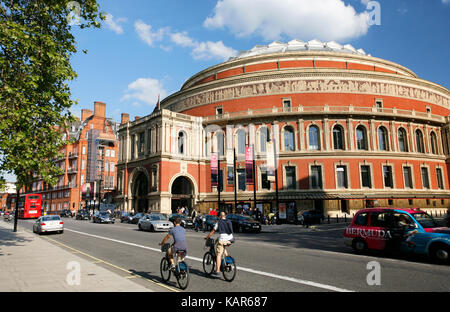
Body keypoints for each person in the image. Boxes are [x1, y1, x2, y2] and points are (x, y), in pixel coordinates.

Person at [205, 211, 234, 279]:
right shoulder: (229, 221)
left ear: (220, 216)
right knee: (224, 248)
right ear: (225, 216)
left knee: (219, 254)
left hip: (223, 239)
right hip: (230, 239)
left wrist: (208, 236)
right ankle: (228, 263)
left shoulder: (219, 222)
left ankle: (217, 271)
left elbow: (213, 231)